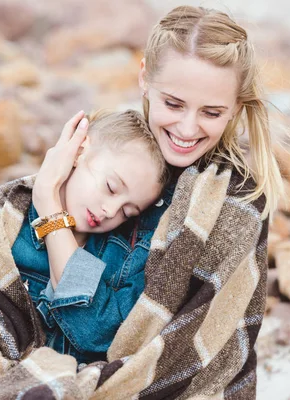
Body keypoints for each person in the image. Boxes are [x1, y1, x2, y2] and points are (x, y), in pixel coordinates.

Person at [0, 6, 284, 400]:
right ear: (145, 77)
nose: (187, 128)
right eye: (174, 104)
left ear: (235, 108)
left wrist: (51, 211)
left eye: (212, 112)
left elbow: (102, 333)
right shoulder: (117, 160)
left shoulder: (231, 207)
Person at [11, 109, 171, 365]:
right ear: (78, 150)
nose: (110, 211)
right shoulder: (7, 217)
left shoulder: (123, 260)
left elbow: (100, 333)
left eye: (127, 211)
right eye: (111, 187)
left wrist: (48, 199)